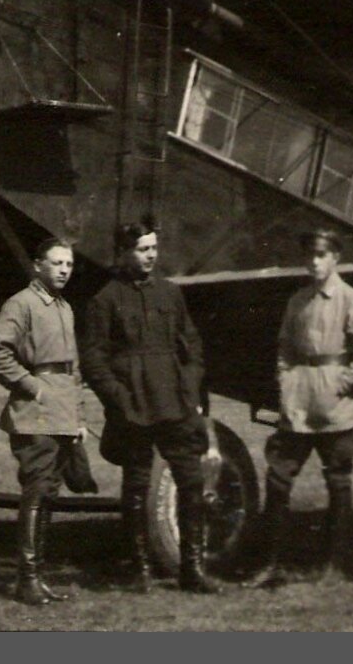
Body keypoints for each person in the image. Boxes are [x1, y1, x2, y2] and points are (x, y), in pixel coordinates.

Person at [80, 218, 221, 594]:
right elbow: (93, 360)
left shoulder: (171, 294)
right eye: (143, 250)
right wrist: (119, 399)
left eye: (154, 248)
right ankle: (139, 569)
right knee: (137, 485)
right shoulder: (105, 299)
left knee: (191, 482)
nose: (151, 256)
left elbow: (192, 347)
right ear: (125, 253)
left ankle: (192, 569)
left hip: (174, 404)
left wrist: (189, 389)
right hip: (134, 409)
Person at [246, 229, 353, 587]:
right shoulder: (297, 301)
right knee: (278, 478)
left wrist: (339, 383)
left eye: (322, 255)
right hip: (298, 403)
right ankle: (270, 563)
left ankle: (334, 564)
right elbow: (284, 348)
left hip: (337, 407)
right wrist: (287, 380)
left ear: (336, 258)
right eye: (309, 254)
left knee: (337, 480)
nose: (314, 261)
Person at [0, 236, 87, 606]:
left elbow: (73, 369)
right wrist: (32, 386)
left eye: (69, 265)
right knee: (37, 492)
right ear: (38, 265)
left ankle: (38, 577)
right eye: (57, 263)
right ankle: (26, 578)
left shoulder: (65, 308)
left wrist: (78, 415)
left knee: (49, 494)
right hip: (35, 414)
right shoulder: (21, 304)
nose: (63, 270)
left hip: (61, 412)